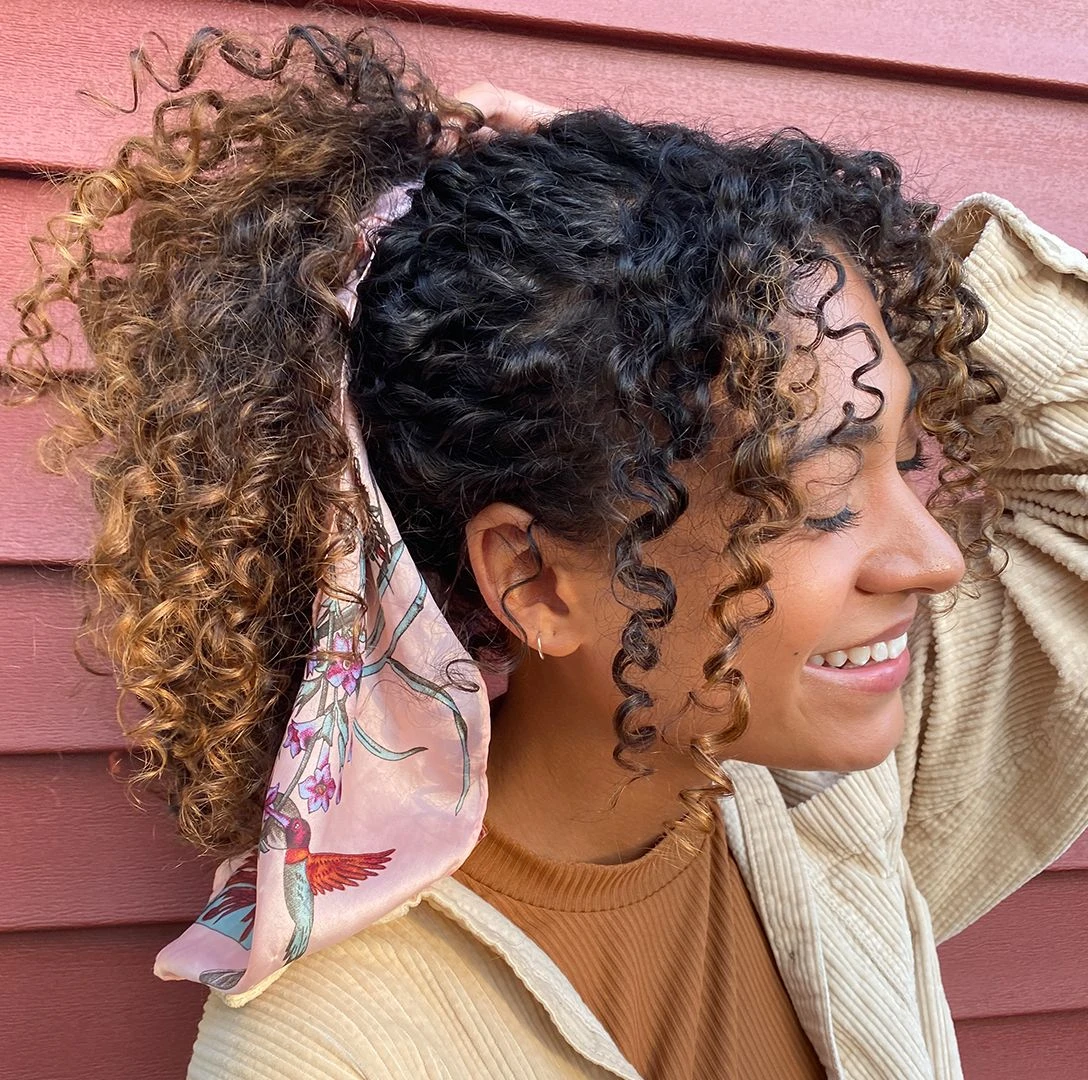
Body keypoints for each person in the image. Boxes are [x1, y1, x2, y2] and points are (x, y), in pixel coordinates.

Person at [8, 22, 1088, 1080]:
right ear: (533, 580)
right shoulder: (332, 1052)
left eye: (904, 457)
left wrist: (697, 221)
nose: (935, 557)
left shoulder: (826, 809)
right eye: (819, 493)